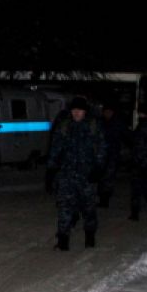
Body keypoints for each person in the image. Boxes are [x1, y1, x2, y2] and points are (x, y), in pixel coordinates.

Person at [46, 96, 106, 250]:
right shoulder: (64, 126)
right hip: (67, 174)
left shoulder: (93, 127)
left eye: (79, 110)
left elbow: (101, 149)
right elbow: (55, 148)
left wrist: (99, 168)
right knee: (64, 207)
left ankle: (90, 236)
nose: (76, 113)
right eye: (74, 110)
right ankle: (63, 240)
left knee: (88, 208)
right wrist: (51, 169)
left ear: (85, 111)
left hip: (87, 175)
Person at [97, 104, 127, 208]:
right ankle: (102, 197)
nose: (107, 113)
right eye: (105, 111)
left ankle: (105, 199)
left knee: (108, 178)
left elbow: (125, 136)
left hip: (112, 155)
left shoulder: (117, 123)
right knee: (101, 177)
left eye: (109, 111)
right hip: (101, 155)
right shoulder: (100, 122)